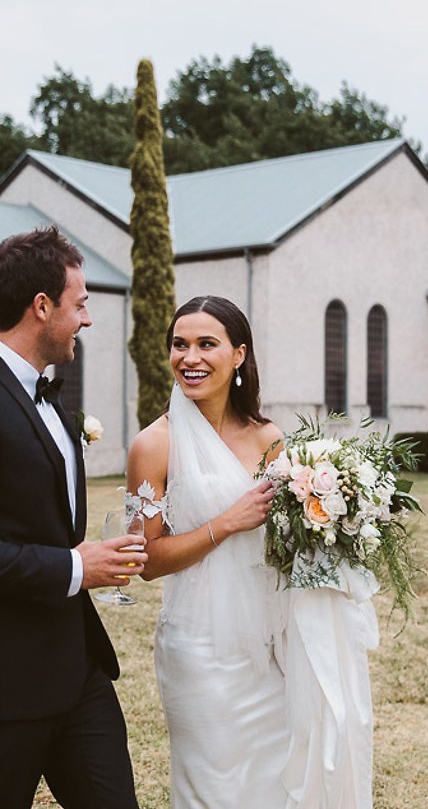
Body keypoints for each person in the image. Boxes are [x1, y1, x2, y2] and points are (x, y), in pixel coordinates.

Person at [0, 226, 144, 809]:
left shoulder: (53, 398)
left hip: (77, 672)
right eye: (81, 303)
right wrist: (72, 566)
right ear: (42, 307)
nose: (87, 319)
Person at [124, 295, 287, 807]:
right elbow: (146, 562)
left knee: (272, 786)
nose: (189, 357)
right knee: (210, 790)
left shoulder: (270, 439)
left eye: (206, 344)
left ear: (239, 355)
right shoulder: (154, 445)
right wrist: (226, 523)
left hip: (270, 646)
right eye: (180, 344)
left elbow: (285, 543)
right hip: (199, 647)